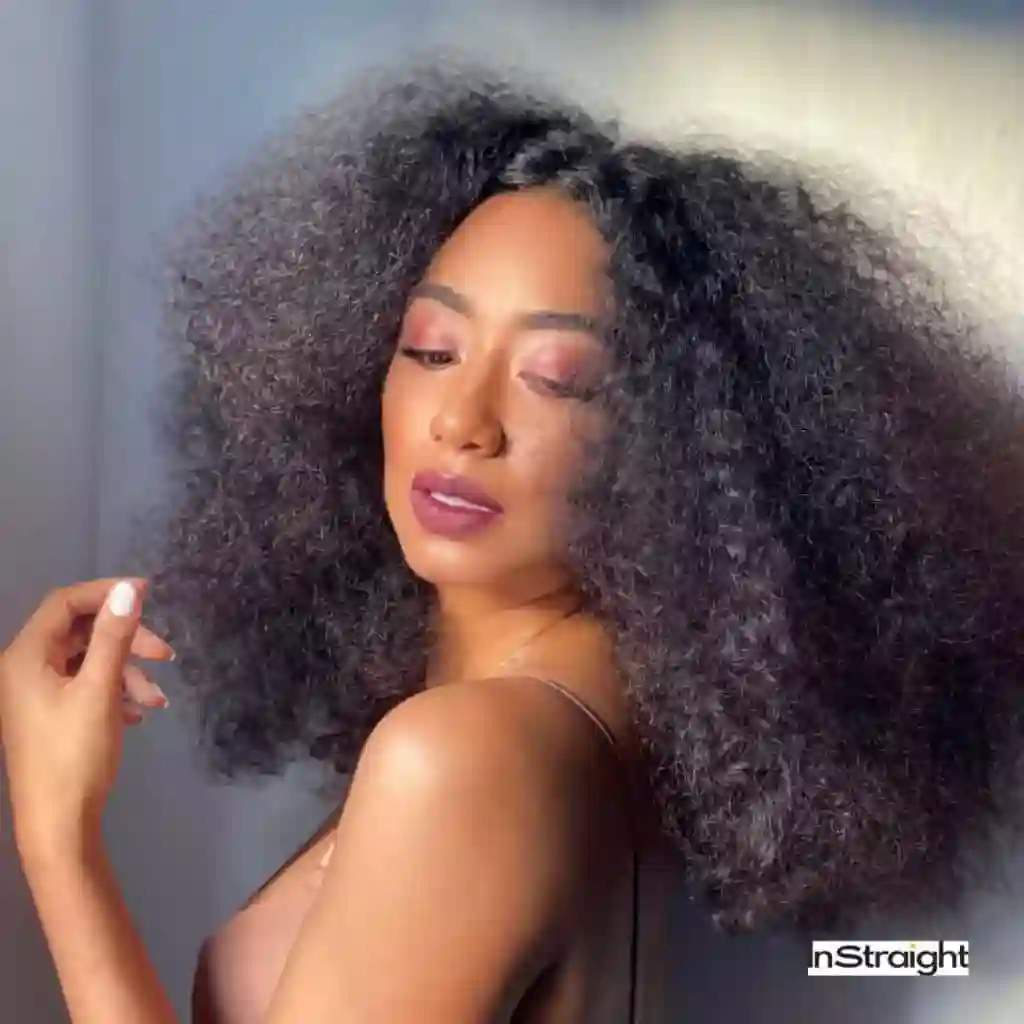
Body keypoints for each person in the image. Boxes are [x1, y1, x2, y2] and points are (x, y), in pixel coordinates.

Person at [2, 61, 1024, 1023]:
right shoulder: (619, 710)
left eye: (558, 379)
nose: (464, 422)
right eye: (431, 349)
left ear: (676, 445)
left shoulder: (465, 757)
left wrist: (56, 836)